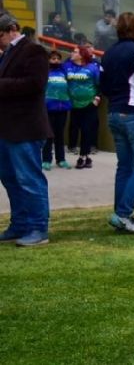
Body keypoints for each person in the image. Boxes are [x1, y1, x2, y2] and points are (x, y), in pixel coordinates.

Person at [99, 13, 134, 234]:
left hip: (114, 113)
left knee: (124, 166)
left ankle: (121, 215)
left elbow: (102, 86)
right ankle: (123, 213)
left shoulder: (108, 54)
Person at [0, 13, 53, 246]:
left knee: (29, 179)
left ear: (12, 29)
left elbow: (35, 84)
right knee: (11, 179)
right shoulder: (8, 54)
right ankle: (20, 223)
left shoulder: (34, 51)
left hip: (26, 128)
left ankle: (38, 227)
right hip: (8, 128)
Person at [64, 44, 101, 169]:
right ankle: (86, 157)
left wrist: (97, 98)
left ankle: (83, 156)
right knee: (75, 128)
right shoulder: (68, 67)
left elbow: (100, 83)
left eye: (75, 52)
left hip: (89, 104)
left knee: (86, 130)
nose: (72, 54)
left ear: (81, 55)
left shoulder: (92, 68)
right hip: (74, 104)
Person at [43, 50, 72, 171]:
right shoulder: (44, 72)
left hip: (62, 108)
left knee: (59, 135)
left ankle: (61, 160)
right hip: (48, 108)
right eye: (53, 58)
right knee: (48, 135)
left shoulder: (64, 71)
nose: (56, 61)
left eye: (58, 59)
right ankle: (46, 160)